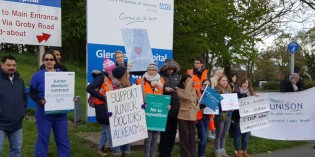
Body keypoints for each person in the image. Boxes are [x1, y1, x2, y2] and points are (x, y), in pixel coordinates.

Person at [29, 52, 77, 157]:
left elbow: (68, 91)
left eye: (51, 59)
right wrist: (40, 100)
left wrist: (71, 98)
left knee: (62, 138)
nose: (49, 61)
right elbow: (32, 93)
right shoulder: (37, 75)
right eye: (46, 59)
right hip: (43, 112)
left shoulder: (63, 74)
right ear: (43, 61)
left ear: (55, 61)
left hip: (60, 113)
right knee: (43, 138)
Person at [86, 58, 116, 157]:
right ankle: (116, 151)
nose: (114, 70)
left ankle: (100, 149)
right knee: (109, 128)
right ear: (108, 69)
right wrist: (103, 98)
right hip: (102, 107)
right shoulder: (101, 77)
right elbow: (89, 88)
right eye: (112, 69)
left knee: (104, 129)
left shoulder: (109, 77)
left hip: (106, 106)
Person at [0, 55, 27, 157]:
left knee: (16, 151)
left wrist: (22, 112)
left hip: (16, 124)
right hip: (1, 123)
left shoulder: (20, 80)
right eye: (8, 65)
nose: (12, 67)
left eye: (14, 65)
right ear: (2, 65)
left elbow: (25, 97)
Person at [136, 63, 165, 157]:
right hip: (146, 111)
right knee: (148, 137)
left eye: (154, 70)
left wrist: (166, 106)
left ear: (157, 71)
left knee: (155, 137)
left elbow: (165, 96)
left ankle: (153, 155)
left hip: (158, 113)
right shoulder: (139, 81)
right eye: (150, 69)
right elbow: (136, 96)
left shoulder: (162, 81)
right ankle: (146, 155)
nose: (151, 71)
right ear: (147, 70)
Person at [108, 66, 132, 157]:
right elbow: (109, 100)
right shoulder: (113, 86)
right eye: (127, 73)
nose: (129, 74)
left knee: (127, 136)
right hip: (116, 117)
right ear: (123, 75)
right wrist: (109, 110)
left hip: (127, 116)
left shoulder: (129, 85)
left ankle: (126, 153)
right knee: (117, 137)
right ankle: (117, 153)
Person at [158, 59, 181, 157]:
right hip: (164, 108)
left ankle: (169, 153)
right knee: (164, 134)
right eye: (169, 69)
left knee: (172, 133)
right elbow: (155, 89)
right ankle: (163, 154)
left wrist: (178, 90)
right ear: (165, 68)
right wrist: (164, 89)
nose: (171, 71)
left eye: (172, 69)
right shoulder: (160, 77)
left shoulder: (178, 77)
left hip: (175, 109)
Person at [176, 74, 199, 157]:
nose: (190, 82)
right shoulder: (179, 90)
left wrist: (197, 108)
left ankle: (192, 154)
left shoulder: (194, 90)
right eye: (188, 80)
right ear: (183, 82)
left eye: (191, 80)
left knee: (192, 138)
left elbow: (195, 101)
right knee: (184, 139)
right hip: (183, 116)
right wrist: (188, 86)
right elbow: (186, 96)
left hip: (192, 116)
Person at [233, 78, 255, 157]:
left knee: (245, 135)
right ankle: (237, 151)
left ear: (248, 85)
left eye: (247, 83)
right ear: (241, 83)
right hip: (237, 117)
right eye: (244, 83)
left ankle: (244, 150)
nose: (245, 84)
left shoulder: (251, 94)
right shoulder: (235, 92)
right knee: (238, 134)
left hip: (247, 117)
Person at [214, 75, 232, 157]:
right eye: (223, 80)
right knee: (219, 134)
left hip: (228, 114)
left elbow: (232, 101)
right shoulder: (216, 90)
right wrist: (223, 105)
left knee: (224, 134)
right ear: (219, 81)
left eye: (226, 81)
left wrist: (232, 107)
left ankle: (222, 150)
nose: (225, 82)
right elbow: (215, 103)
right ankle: (217, 151)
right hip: (220, 114)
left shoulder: (229, 90)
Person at [196, 79, 211, 157]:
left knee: (205, 137)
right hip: (199, 117)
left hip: (207, 117)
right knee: (204, 137)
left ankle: (203, 154)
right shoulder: (198, 92)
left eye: (209, 85)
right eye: (205, 84)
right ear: (202, 85)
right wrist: (202, 105)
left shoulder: (211, 94)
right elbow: (196, 106)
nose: (207, 86)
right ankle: (200, 155)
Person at [228, 73, 238, 138]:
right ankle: (231, 132)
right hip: (229, 102)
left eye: (235, 77)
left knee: (233, 118)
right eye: (234, 77)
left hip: (234, 102)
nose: (235, 78)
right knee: (231, 118)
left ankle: (233, 131)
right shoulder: (229, 85)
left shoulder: (235, 85)